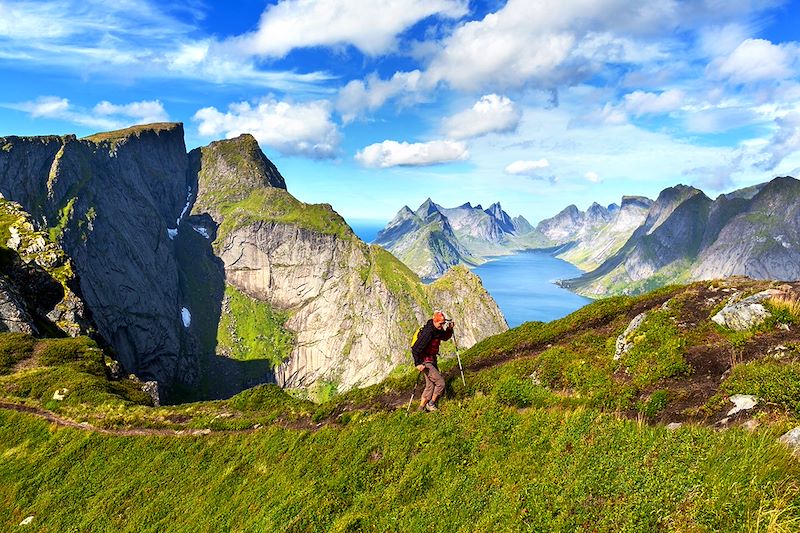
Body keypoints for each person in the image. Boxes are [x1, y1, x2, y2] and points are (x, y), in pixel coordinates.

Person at [411, 310, 454, 412]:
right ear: (435, 321)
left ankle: (421, 408)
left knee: (430, 385)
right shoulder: (428, 333)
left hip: (432, 358)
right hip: (425, 361)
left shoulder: (437, 329)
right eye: (440, 324)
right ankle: (431, 404)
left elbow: (444, 337)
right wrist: (418, 363)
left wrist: (449, 329)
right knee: (440, 383)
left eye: (443, 324)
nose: (441, 326)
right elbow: (415, 349)